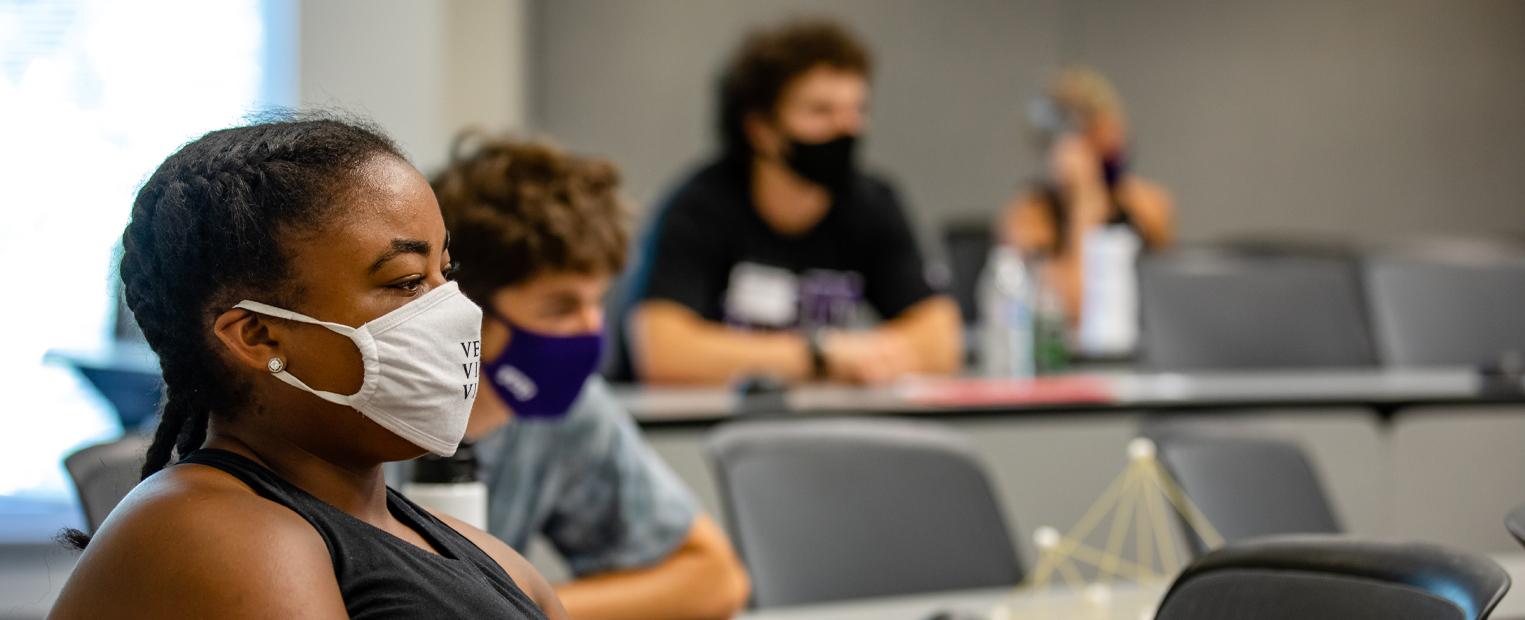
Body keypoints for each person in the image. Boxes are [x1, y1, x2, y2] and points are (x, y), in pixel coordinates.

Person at [50, 117, 566, 619]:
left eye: (445, 273)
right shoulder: (220, 535)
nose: (453, 309)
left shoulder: (467, 551)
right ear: (259, 335)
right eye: (407, 282)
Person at [430, 135, 751, 619]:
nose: (591, 329)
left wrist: (515, 610)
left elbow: (715, 579)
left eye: (597, 301)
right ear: (467, 308)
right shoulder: (376, 416)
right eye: (561, 307)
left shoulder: (568, 409)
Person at [626, 18, 963, 386]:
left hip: (823, 423)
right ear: (760, 128)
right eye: (821, 111)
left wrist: (858, 354)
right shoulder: (700, 207)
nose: (847, 128)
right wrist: (820, 355)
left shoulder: (872, 204)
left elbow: (941, 342)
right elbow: (664, 351)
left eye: (857, 110)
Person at [1002, 67, 1174, 350]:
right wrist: (1084, 204)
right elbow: (1075, 307)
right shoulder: (1030, 216)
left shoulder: (1147, 205)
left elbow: (1166, 304)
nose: (1117, 140)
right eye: (1100, 132)